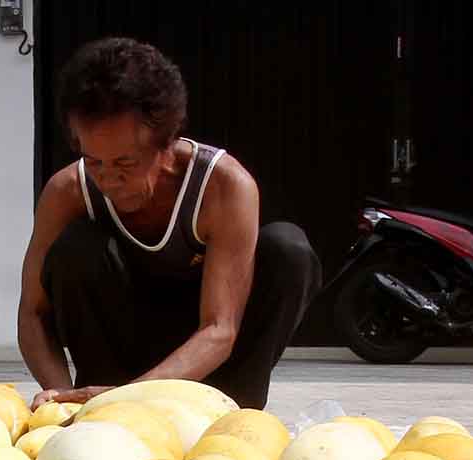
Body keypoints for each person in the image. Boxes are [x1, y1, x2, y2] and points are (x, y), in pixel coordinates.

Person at [19, 37, 321, 412]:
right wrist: (59, 394)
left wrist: (136, 394)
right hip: (117, 362)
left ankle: (235, 412)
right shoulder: (68, 191)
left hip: (209, 362)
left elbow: (219, 329)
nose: (109, 179)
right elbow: (32, 311)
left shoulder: (222, 186)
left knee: (287, 250)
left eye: (125, 164)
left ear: (167, 143)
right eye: (95, 162)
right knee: (76, 247)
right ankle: (99, 414)